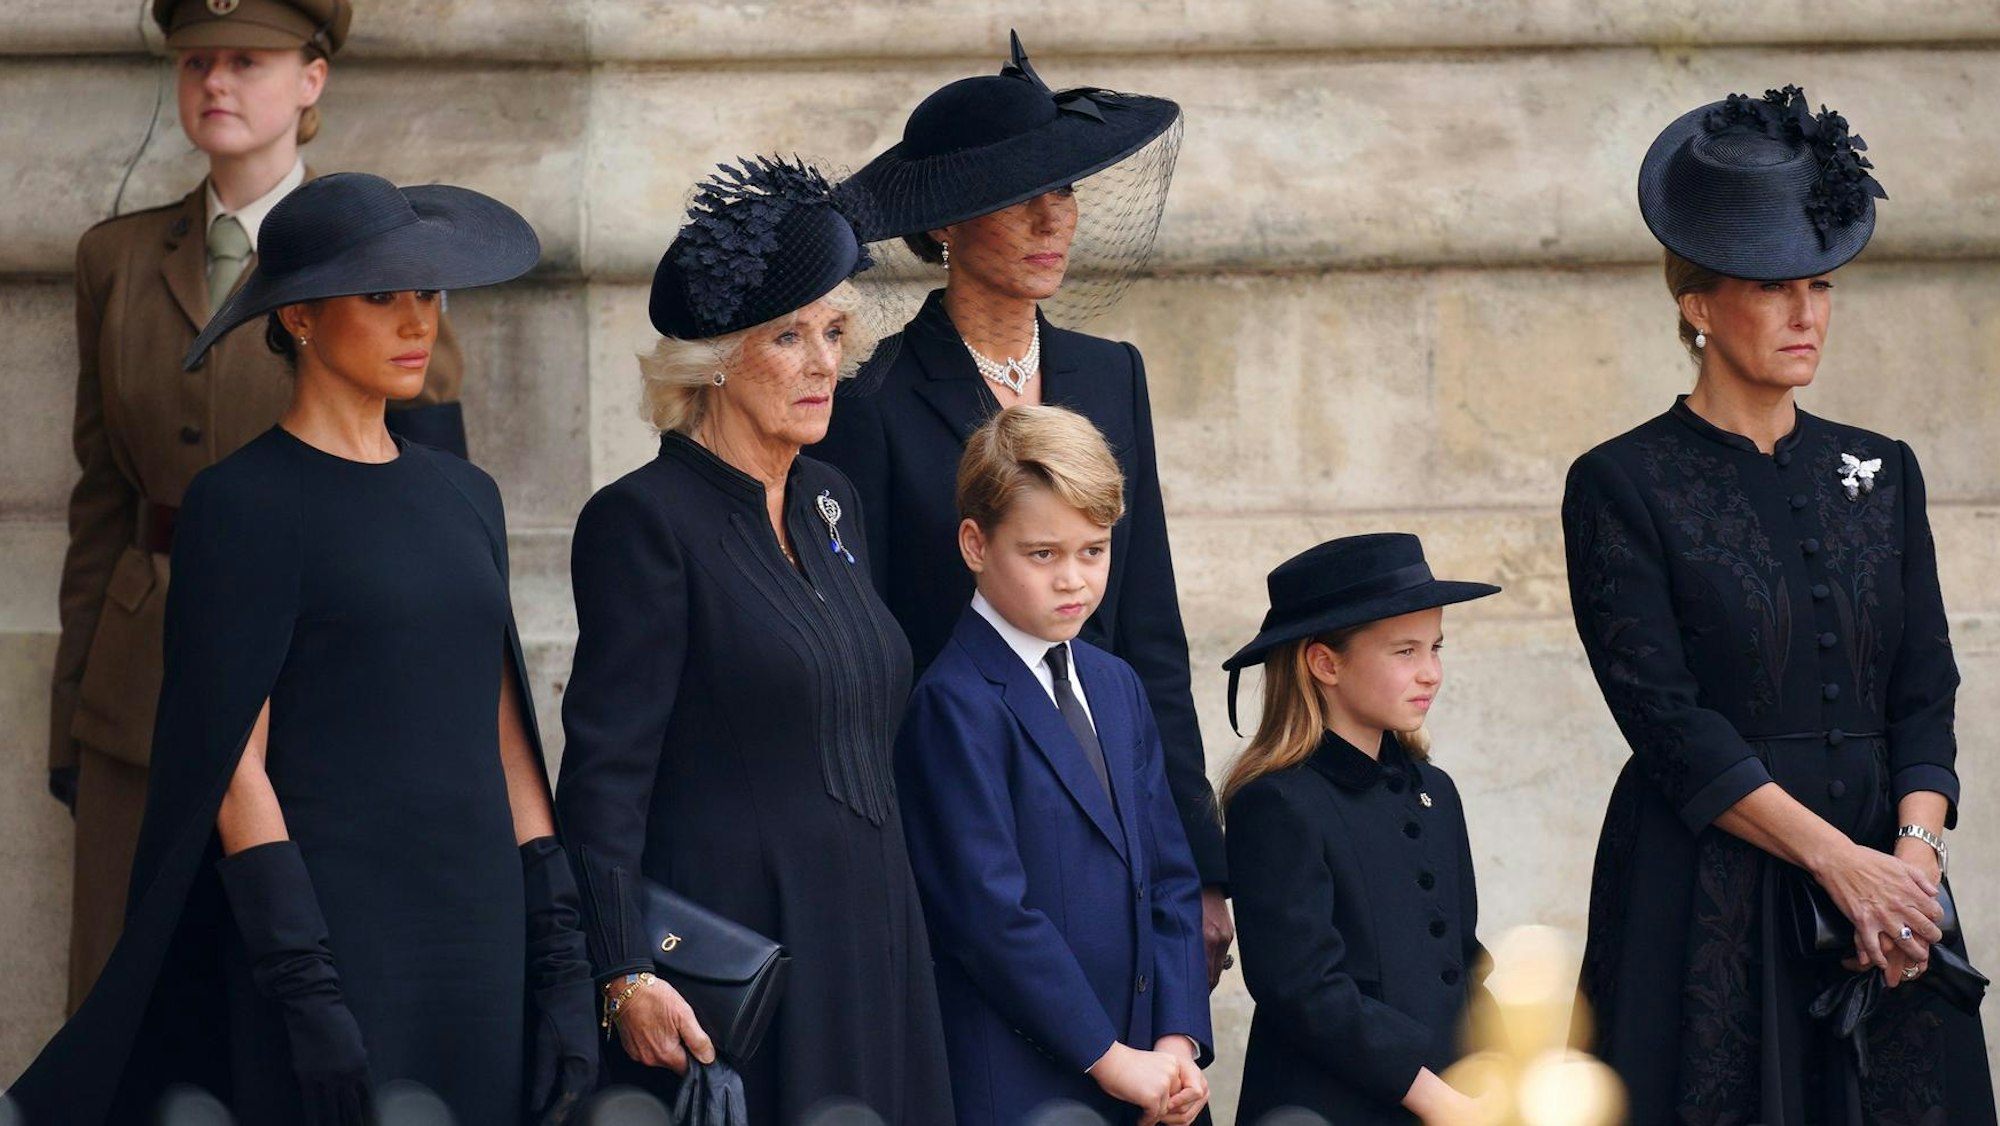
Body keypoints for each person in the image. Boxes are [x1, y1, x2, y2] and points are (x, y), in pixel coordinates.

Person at [10, 172, 592, 1125]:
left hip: (481, 930)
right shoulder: (240, 505)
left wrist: (560, 946)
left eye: (426, 291)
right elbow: (232, 764)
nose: (417, 320)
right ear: (301, 317)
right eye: (381, 294)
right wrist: (304, 983)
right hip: (337, 932)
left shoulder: (466, 495)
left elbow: (504, 731)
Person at [1564, 85, 1995, 1122]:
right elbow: (1666, 722)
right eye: (1771, 288)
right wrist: (1837, 864)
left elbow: (1923, 690)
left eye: (1819, 285)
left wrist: (1910, 863)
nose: (1806, 314)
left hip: (1890, 892)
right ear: (1698, 305)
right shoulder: (1620, 481)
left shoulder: (1883, 469)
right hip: (1710, 890)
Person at [51, 0, 472, 1011]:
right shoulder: (116, 258)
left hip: (315, 689)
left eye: (246, 60)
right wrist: (72, 714)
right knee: (127, 996)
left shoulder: (385, 257)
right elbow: (100, 500)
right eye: (195, 62)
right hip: (141, 686)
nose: (215, 83)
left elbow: (430, 511)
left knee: (291, 996)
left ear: (311, 78)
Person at [815, 32, 1237, 988]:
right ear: (946, 225)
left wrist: (1201, 865)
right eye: (1018, 196)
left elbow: (1149, 630)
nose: (1054, 219)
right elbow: (869, 652)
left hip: (1116, 808)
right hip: (964, 827)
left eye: (1066, 189)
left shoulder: (1112, 374)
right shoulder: (871, 401)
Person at [555, 157, 954, 1123]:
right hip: (748, 951)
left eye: (833, 333)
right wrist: (621, 970)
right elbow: (606, 773)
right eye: (789, 336)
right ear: (718, 359)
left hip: (876, 931)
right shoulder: (642, 521)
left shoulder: (830, 499)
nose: (825, 364)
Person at [894, 404, 1212, 1126]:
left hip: (1154, 1074)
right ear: (975, 544)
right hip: (1025, 1084)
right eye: (1043, 554)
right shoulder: (952, 704)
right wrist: (1109, 1058)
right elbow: (989, 917)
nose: (1073, 580)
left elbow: (1169, 875)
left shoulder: (1116, 683)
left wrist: (1176, 1041)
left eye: (1093, 551)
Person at [1218, 534, 1497, 1125]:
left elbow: (1462, 958)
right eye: (1405, 652)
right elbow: (1304, 989)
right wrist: (1436, 1099)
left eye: (1435, 648)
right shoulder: (1276, 802)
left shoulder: (1434, 791)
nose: (1431, 673)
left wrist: (1499, 1071)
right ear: (1325, 663)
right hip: (1330, 1110)